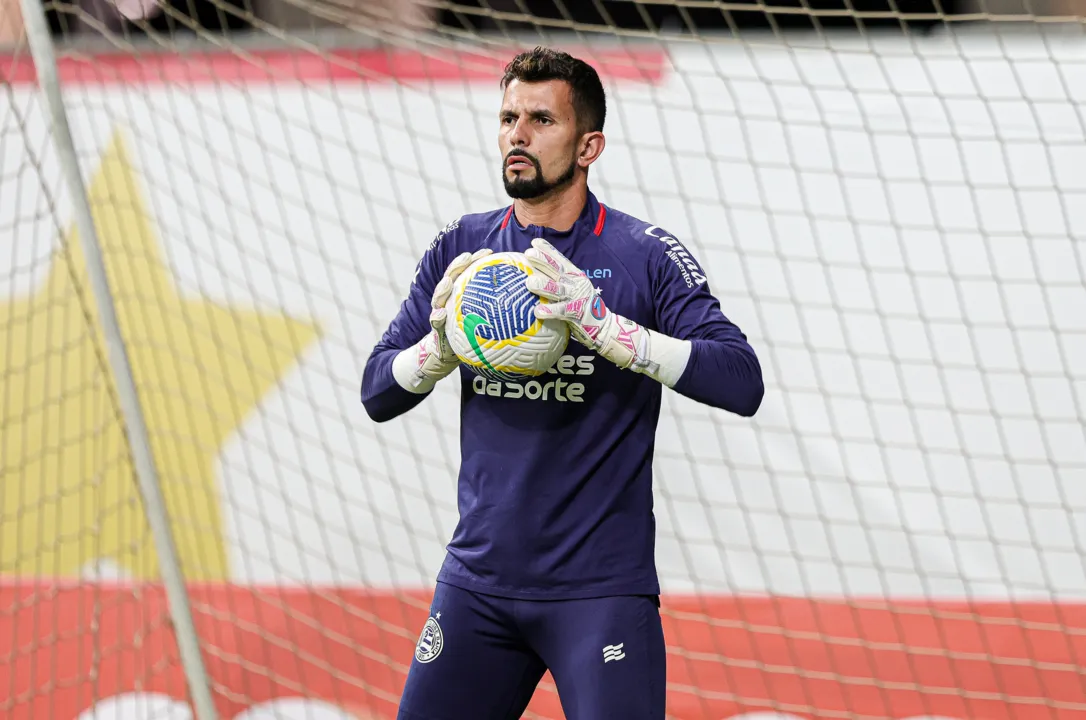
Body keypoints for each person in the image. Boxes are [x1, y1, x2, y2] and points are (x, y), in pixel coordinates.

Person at [361, 46, 764, 720]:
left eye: (541, 120)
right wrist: (437, 350)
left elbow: (741, 380)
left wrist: (614, 335)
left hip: (600, 594)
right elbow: (378, 392)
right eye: (508, 117)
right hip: (478, 588)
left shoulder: (644, 254)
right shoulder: (462, 251)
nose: (517, 134)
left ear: (588, 146)